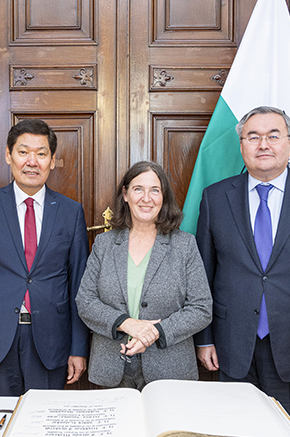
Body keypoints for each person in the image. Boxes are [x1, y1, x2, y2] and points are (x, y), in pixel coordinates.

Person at [194, 105, 290, 434]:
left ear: (289, 142)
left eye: (273, 135)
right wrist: (204, 339)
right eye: (253, 137)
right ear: (242, 146)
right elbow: (204, 275)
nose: (263, 144)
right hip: (232, 346)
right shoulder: (216, 197)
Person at [0, 118, 89, 396]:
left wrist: (79, 348)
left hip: (51, 339)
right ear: (8, 155)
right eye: (23, 152)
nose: (32, 162)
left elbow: (78, 286)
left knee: (43, 425)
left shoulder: (70, 211)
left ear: (52, 161)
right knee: (1, 421)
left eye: (41, 154)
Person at [76, 161, 212, 388]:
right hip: (111, 369)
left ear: (164, 197)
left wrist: (155, 332)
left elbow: (201, 308)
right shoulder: (104, 243)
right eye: (138, 189)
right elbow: (86, 302)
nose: (146, 198)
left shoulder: (184, 244)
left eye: (155, 191)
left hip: (170, 370)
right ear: (125, 194)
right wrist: (126, 324)